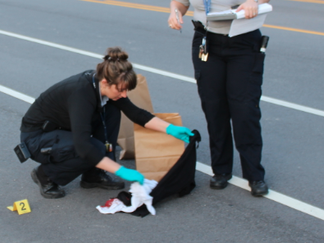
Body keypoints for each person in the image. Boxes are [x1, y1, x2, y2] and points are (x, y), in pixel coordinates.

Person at [167, 0, 273, 197]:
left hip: (242, 42)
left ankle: (254, 175)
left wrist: (253, 1)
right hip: (207, 43)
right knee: (214, 108)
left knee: (244, 109)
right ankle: (221, 170)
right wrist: (175, 13)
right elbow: (179, 0)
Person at [20, 47, 194, 199]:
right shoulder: (81, 94)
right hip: (38, 138)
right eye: (121, 89)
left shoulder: (107, 86)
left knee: (112, 110)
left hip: (63, 131)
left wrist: (171, 129)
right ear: (105, 82)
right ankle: (45, 175)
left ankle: (93, 175)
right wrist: (120, 170)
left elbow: (136, 113)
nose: (125, 94)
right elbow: (83, 146)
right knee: (93, 149)